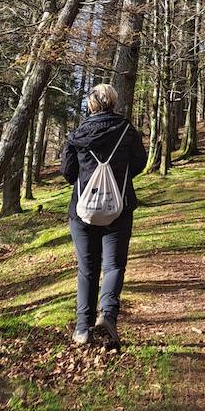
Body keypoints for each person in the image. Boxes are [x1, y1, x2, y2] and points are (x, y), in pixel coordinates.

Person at [61, 82, 147, 349]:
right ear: (114, 102)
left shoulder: (78, 134)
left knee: (87, 270)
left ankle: (82, 329)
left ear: (91, 104)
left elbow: (67, 172)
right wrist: (118, 178)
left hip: (82, 211)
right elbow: (140, 163)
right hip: (119, 208)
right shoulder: (127, 131)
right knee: (113, 266)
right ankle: (107, 316)